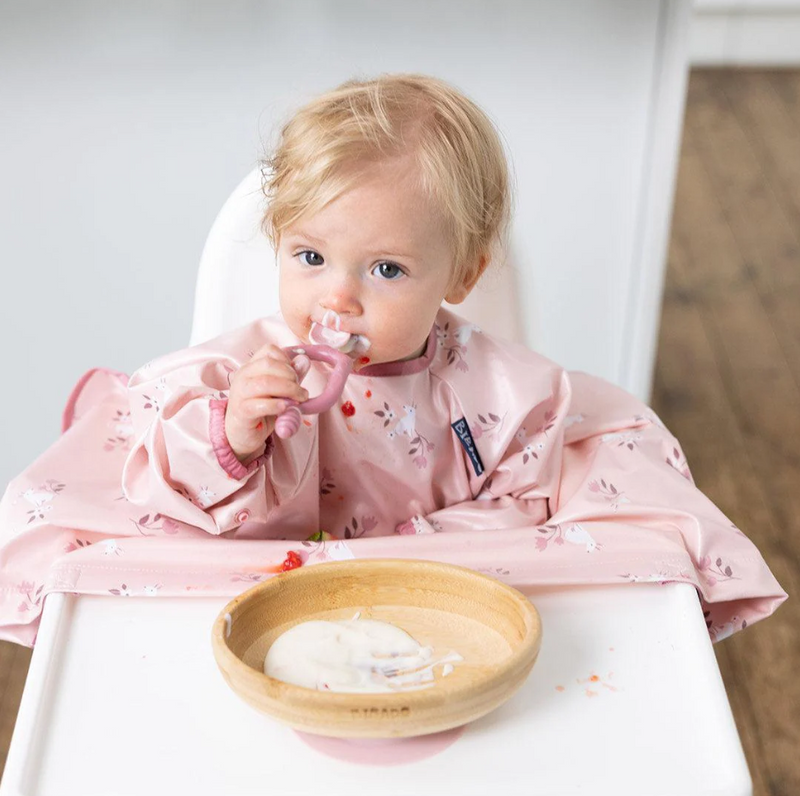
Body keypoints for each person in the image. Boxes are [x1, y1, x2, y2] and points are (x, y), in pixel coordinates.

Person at [0, 74, 785, 647]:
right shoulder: (239, 378)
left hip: (443, 613)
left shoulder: (504, 393)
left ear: (464, 276)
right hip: (263, 616)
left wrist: (413, 543)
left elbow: (524, 501)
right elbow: (180, 494)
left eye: (385, 270)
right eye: (309, 256)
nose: (337, 297)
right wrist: (235, 438)